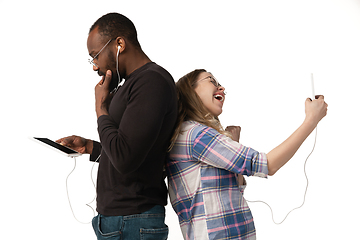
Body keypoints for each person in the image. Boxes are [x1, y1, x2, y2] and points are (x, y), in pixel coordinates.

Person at [166, 69, 327, 240]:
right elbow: (268, 164)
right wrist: (311, 119)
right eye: (211, 80)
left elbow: (231, 193)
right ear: (191, 91)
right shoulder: (196, 135)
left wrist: (232, 145)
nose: (221, 88)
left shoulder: (195, 135)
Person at [56, 13, 177, 240]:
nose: (94, 66)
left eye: (95, 56)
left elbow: (125, 158)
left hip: (132, 220)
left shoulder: (151, 82)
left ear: (119, 44)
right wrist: (90, 147)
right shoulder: (131, 84)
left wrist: (101, 108)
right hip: (120, 221)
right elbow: (130, 148)